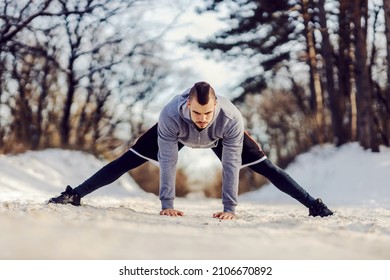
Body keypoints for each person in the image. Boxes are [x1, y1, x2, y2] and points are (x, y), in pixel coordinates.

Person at [49, 81, 333, 220]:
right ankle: (74, 195)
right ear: (187, 104)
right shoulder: (171, 115)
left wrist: (229, 209)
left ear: (215, 106)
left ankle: (314, 206)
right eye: (197, 112)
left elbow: (231, 165)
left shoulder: (231, 118)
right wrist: (167, 205)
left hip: (222, 138)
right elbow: (169, 161)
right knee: (127, 160)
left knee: (267, 168)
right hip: (177, 133)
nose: (202, 118)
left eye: (207, 112)